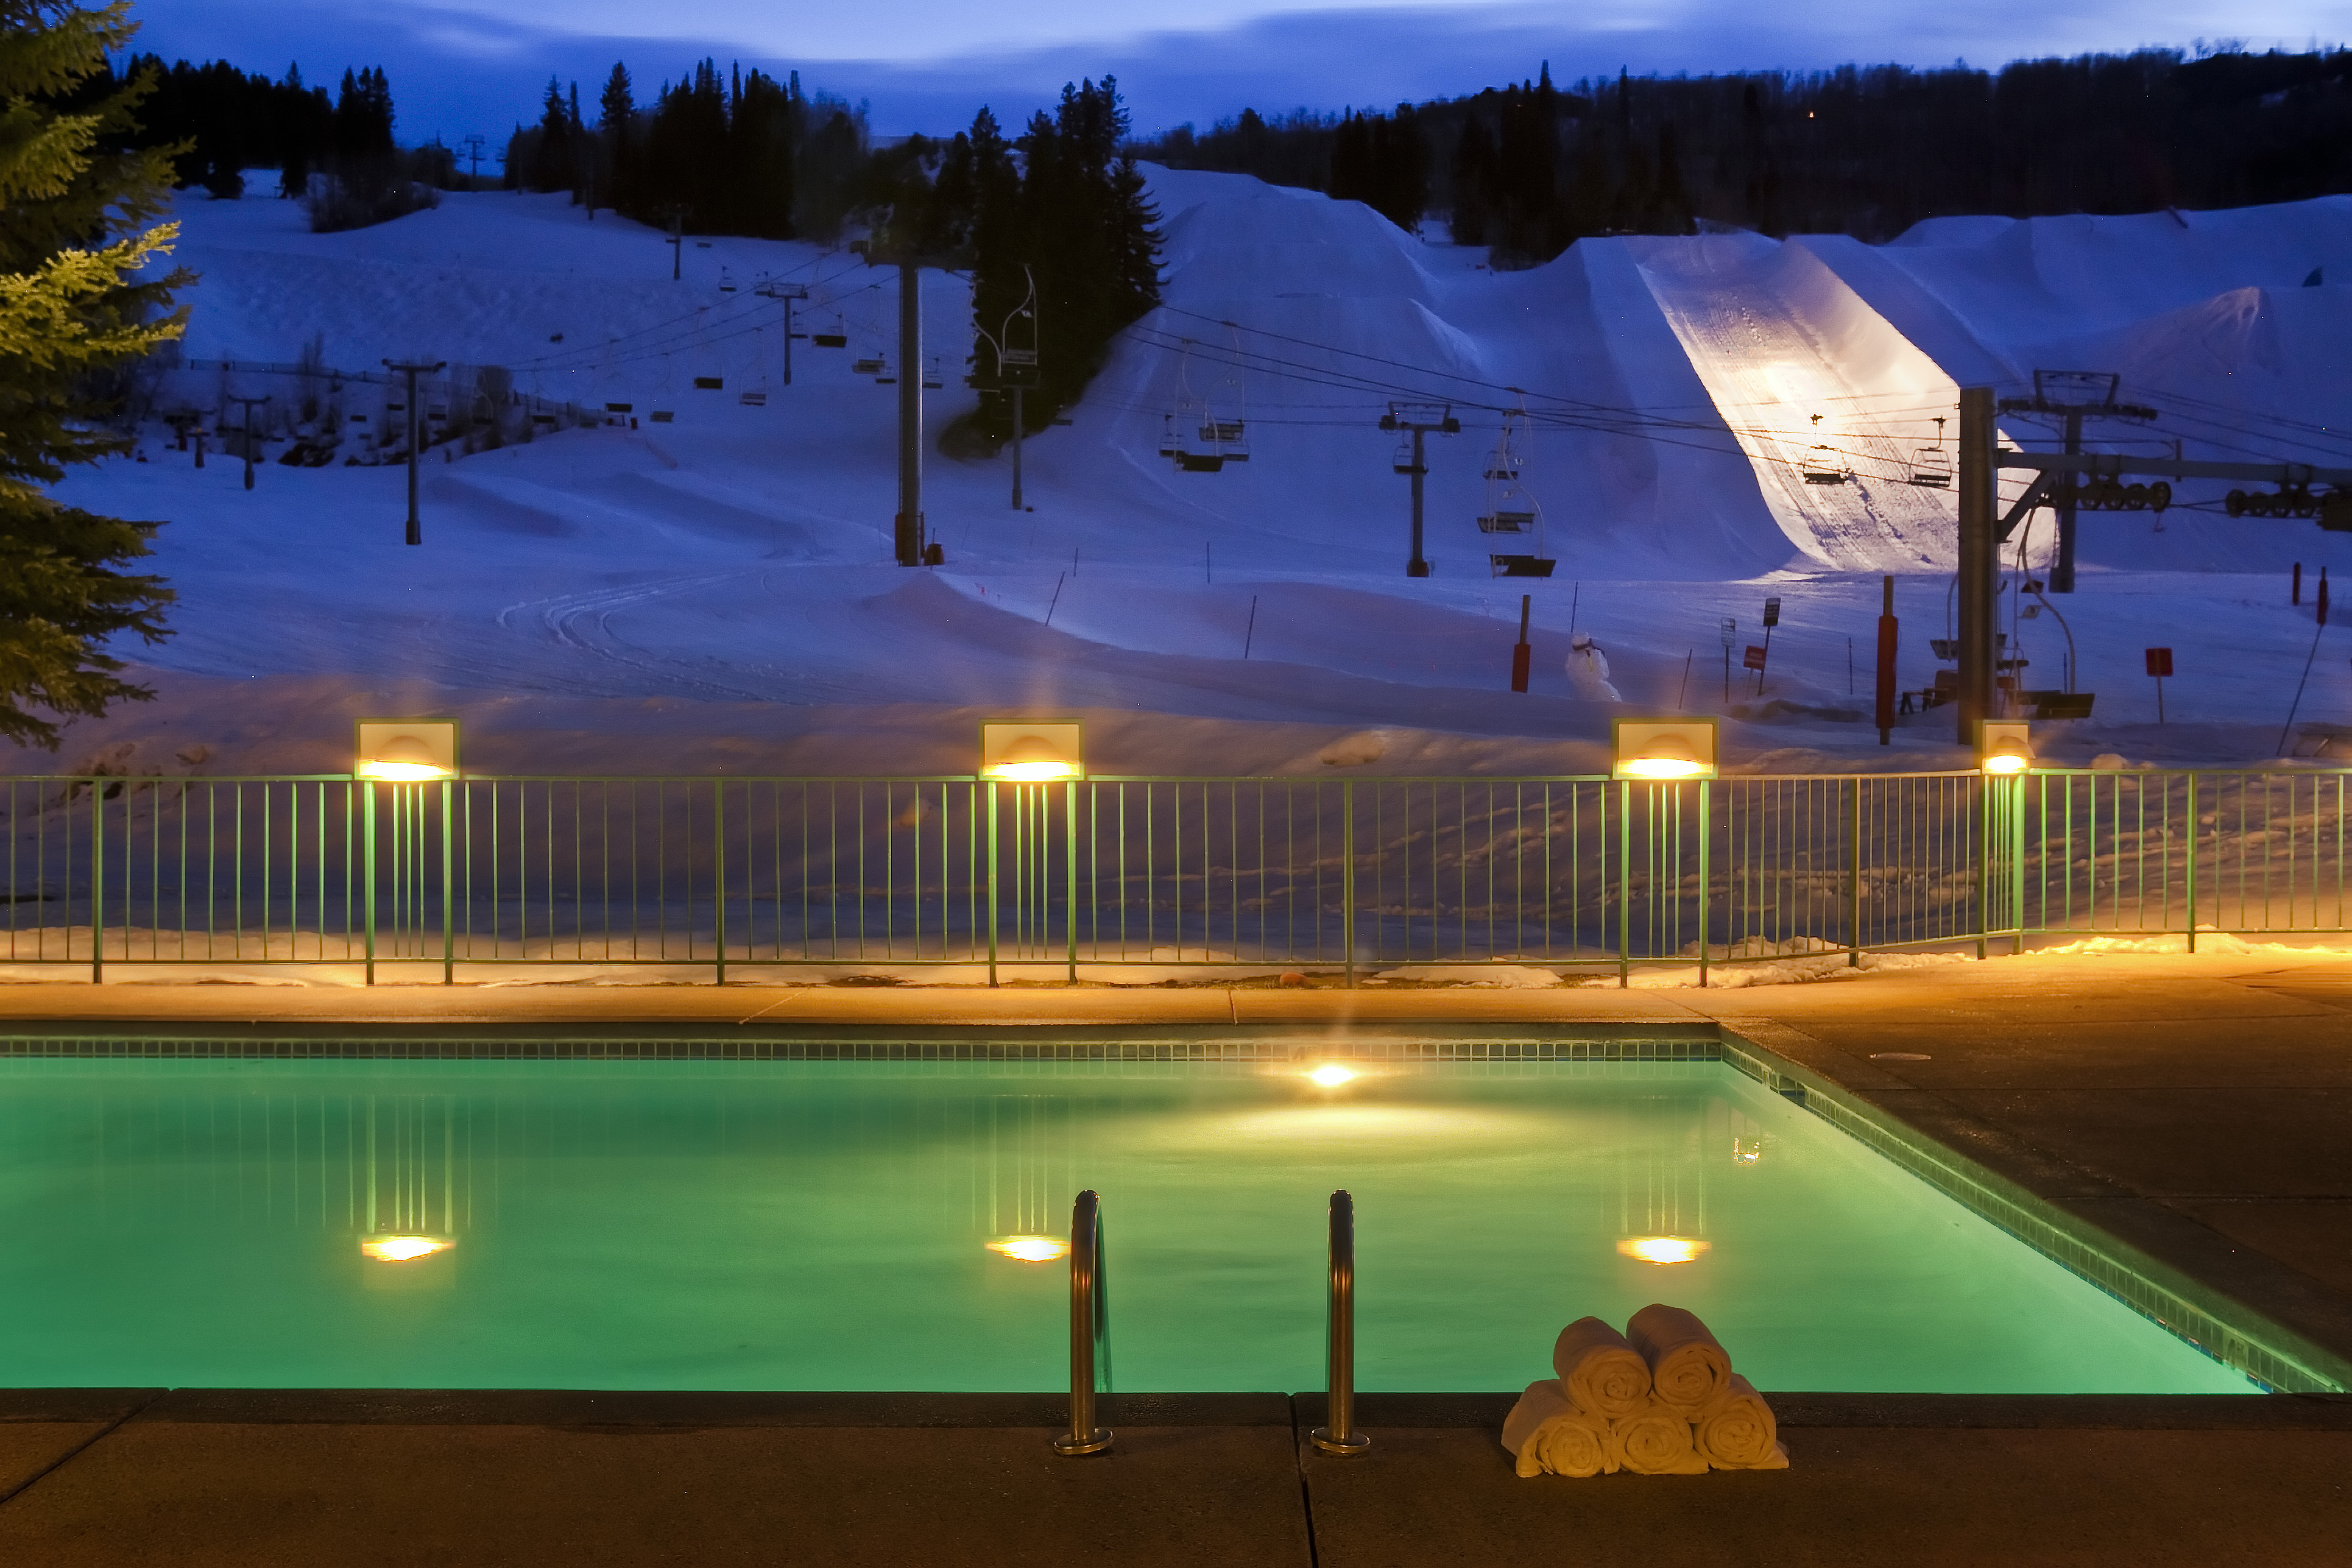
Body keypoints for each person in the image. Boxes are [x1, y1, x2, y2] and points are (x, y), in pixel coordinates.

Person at [1566, 632, 1622, 702]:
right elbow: (1601, 672)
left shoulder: (1575, 658)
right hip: (1596, 690)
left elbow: (1573, 674)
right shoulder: (1592, 655)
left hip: (1587, 691)